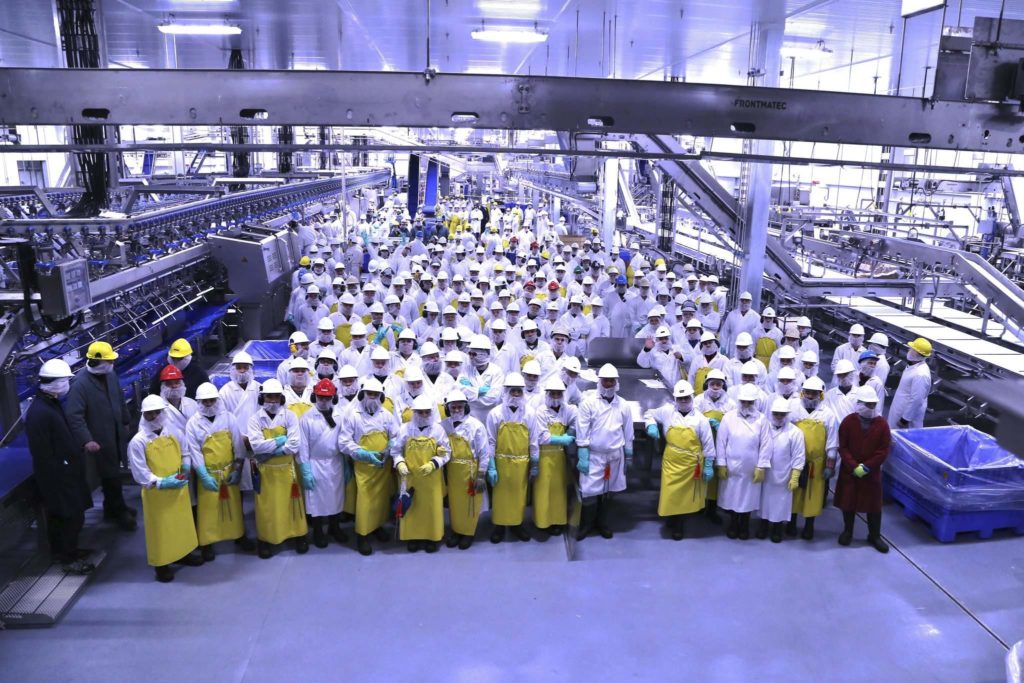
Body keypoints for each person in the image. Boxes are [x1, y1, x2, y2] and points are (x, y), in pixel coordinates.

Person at [26, 359, 94, 574]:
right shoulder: (40, 412)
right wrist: (61, 473)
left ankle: (66, 552)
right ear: (54, 383)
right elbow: (43, 453)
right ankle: (68, 558)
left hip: (65, 473)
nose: (67, 385)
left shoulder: (49, 404)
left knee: (64, 518)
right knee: (71, 518)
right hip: (58, 478)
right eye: (65, 381)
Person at [128, 395, 202, 582]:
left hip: (178, 488)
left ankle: (183, 553)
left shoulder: (173, 431)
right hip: (156, 494)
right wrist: (161, 482)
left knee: (181, 524)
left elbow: (185, 452)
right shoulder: (138, 441)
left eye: (157, 412)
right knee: (159, 529)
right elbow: (140, 473)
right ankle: (161, 564)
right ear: (143, 415)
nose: (154, 416)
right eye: (150, 414)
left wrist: (185, 468)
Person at [65, 341, 137, 531]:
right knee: (110, 475)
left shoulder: (110, 375)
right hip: (100, 439)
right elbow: (74, 416)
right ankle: (118, 509)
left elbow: (119, 398)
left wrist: (126, 419)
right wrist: (87, 439)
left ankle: (111, 507)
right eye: (108, 360)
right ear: (97, 362)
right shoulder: (80, 384)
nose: (112, 363)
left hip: (115, 433)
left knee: (112, 473)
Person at [644, 380, 716, 540]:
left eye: (686, 398)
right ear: (675, 399)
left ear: (691, 397)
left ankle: (679, 524)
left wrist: (709, 465)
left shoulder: (700, 419)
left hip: (691, 465)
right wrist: (651, 425)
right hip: (671, 462)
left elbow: (708, 444)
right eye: (680, 398)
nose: (683, 401)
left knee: (684, 497)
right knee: (670, 494)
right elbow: (649, 413)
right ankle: (672, 517)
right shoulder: (667, 411)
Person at [184, 383, 248, 561]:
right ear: (199, 402)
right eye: (205, 401)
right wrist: (203, 475)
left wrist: (237, 469)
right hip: (209, 473)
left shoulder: (228, 418)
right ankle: (207, 543)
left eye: (212, 400)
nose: (209, 404)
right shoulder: (193, 424)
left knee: (234, 507)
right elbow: (194, 451)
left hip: (228, 472)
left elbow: (238, 445)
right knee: (208, 511)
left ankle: (239, 535)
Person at [246, 379, 309, 559]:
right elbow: (256, 446)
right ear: (262, 397)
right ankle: (266, 540)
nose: (272, 400)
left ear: (281, 398)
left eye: (275, 397)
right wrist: (281, 440)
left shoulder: (290, 416)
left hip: (287, 470)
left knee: (292, 506)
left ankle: (298, 535)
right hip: (266, 472)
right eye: (268, 397)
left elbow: (295, 444)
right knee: (267, 508)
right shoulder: (254, 419)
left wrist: (273, 448)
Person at [338, 377, 400, 556]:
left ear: (381, 397)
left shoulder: (386, 415)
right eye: (369, 394)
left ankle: (377, 526)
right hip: (363, 466)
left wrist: (391, 446)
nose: (372, 398)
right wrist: (363, 454)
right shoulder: (353, 415)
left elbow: (396, 434)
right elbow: (343, 442)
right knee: (365, 500)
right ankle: (362, 535)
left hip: (383, 464)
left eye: (376, 395)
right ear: (362, 395)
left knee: (381, 499)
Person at [575, 364, 633, 541]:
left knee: (608, 492)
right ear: (599, 382)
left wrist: (629, 454)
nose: (608, 384)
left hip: (615, 456)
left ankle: (602, 523)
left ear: (616, 383)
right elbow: (582, 430)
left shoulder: (623, 405)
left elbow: (628, 431)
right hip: (593, 455)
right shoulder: (588, 403)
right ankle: (586, 524)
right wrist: (583, 454)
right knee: (589, 492)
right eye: (605, 380)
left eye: (611, 381)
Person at [392, 395, 451, 552]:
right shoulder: (404, 429)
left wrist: (434, 463)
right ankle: (413, 537)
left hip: (431, 478)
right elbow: (395, 450)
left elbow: (447, 453)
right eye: (420, 412)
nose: (424, 415)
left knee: (431, 508)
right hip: (410, 478)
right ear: (414, 413)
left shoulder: (438, 430)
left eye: (427, 412)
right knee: (412, 508)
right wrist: (400, 463)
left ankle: (432, 537)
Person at [836, 387, 892, 553]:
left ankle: (874, 535)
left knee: (873, 505)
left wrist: (867, 466)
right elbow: (843, 446)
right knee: (849, 503)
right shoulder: (848, 422)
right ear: (858, 404)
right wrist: (853, 466)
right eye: (867, 404)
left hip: (871, 473)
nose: (870, 407)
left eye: (873, 404)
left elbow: (883, 450)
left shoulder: (882, 424)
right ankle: (848, 531)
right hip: (850, 472)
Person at [485, 373, 538, 543]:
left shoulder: (530, 413)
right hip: (501, 464)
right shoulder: (495, 414)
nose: (515, 394)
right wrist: (491, 466)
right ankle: (499, 526)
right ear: (506, 391)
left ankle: (517, 524)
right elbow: (490, 441)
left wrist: (535, 463)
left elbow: (534, 440)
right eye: (512, 391)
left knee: (518, 496)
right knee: (500, 497)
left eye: (518, 391)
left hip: (522, 464)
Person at [715, 384, 771, 540]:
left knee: (748, 498)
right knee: (731, 497)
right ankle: (733, 523)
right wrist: (721, 463)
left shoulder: (762, 419)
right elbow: (721, 441)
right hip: (731, 467)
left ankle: (745, 524)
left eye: (750, 402)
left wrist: (761, 466)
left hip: (751, 468)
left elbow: (766, 444)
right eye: (743, 402)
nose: (746, 405)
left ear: (755, 402)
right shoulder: (729, 417)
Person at [299, 379, 350, 549]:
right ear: (314, 396)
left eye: (327, 398)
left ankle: (335, 528)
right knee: (316, 501)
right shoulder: (306, 418)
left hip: (336, 463)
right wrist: (305, 469)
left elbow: (345, 440)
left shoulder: (341, 415)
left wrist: (347, 463)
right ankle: (318, 531)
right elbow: (303, 446)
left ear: (334, 398)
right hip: (315, 464)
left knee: (336, 498)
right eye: (320, 397)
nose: (323, 401)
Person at [787, 376, 839, 540]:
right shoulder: (793, 409)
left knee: (813, 496)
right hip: (794, 460)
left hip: (816, 464)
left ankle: (809, 526)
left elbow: (832, 442)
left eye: (814, 393)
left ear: (820, 395)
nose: (810, 396)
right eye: (807, 392)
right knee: (793, 493)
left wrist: (830, 466)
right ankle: (791, 523)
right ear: (802, 393)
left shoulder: (828, 415)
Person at [441, 390, 490, 550]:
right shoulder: (444, 425)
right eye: (453, 407)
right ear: (448, 408)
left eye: (459, 407)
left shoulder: (476, 426)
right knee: (455, 505)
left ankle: (468, 533)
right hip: (453, 471)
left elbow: (484, 452)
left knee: (470, 504)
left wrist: (481, 474)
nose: (456, 410)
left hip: (470, 471)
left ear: (466, 407)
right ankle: (456, 531)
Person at [533, 377, 578, 539]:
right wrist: (561, 439)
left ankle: (558, 520)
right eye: (553, 393)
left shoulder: (567, 409)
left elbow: (576, 419)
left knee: (558, 490)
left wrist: (571, 431)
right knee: (543, 491)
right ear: (547, 394)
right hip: (544, 456)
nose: (556, 397)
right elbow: (541, 437)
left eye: (559, 394)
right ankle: (543, 523)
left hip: (560, 456)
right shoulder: (540, 412)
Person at [758, 398, 805, 543]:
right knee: (764, 501)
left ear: (787, 415)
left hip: (784, 475)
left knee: (780, 503)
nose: (779, 417)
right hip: (766, 473)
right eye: (776, 414)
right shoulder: (764, 428)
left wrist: (795, 475)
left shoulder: (795, 432)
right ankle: (763, 525)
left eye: (782, 414)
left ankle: (777, 528)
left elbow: (799, 455)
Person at [888, 337, 933, 429]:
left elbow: (917, 399)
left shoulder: (921, 374)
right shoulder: (913, 365)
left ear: (917, 353)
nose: (909, 350)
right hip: (900, 408)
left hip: (905, 418)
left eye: (912, 349)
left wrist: (905, 419)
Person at [158, 364, 198, 434]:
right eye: (169, 384)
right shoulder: (157, 407)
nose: (174, 386)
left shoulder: (192, 403)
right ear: (163, 386)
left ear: (182, 384)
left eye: (177, 382)